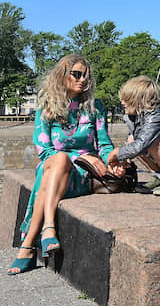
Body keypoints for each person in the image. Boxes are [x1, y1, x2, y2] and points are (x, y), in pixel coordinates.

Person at [9, 54, 115, 275]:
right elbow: (44, 151)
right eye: (76, 74)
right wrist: (73, 157)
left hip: (81, 174)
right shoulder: (46, 108)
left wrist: (113, 159)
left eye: (86, 75)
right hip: (54, 167)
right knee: (58, 158)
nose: (82, 79)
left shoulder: (96, 107)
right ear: (62, 76)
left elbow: (104, 145)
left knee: (57, 165)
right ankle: (47, 227)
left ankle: (28, 246)